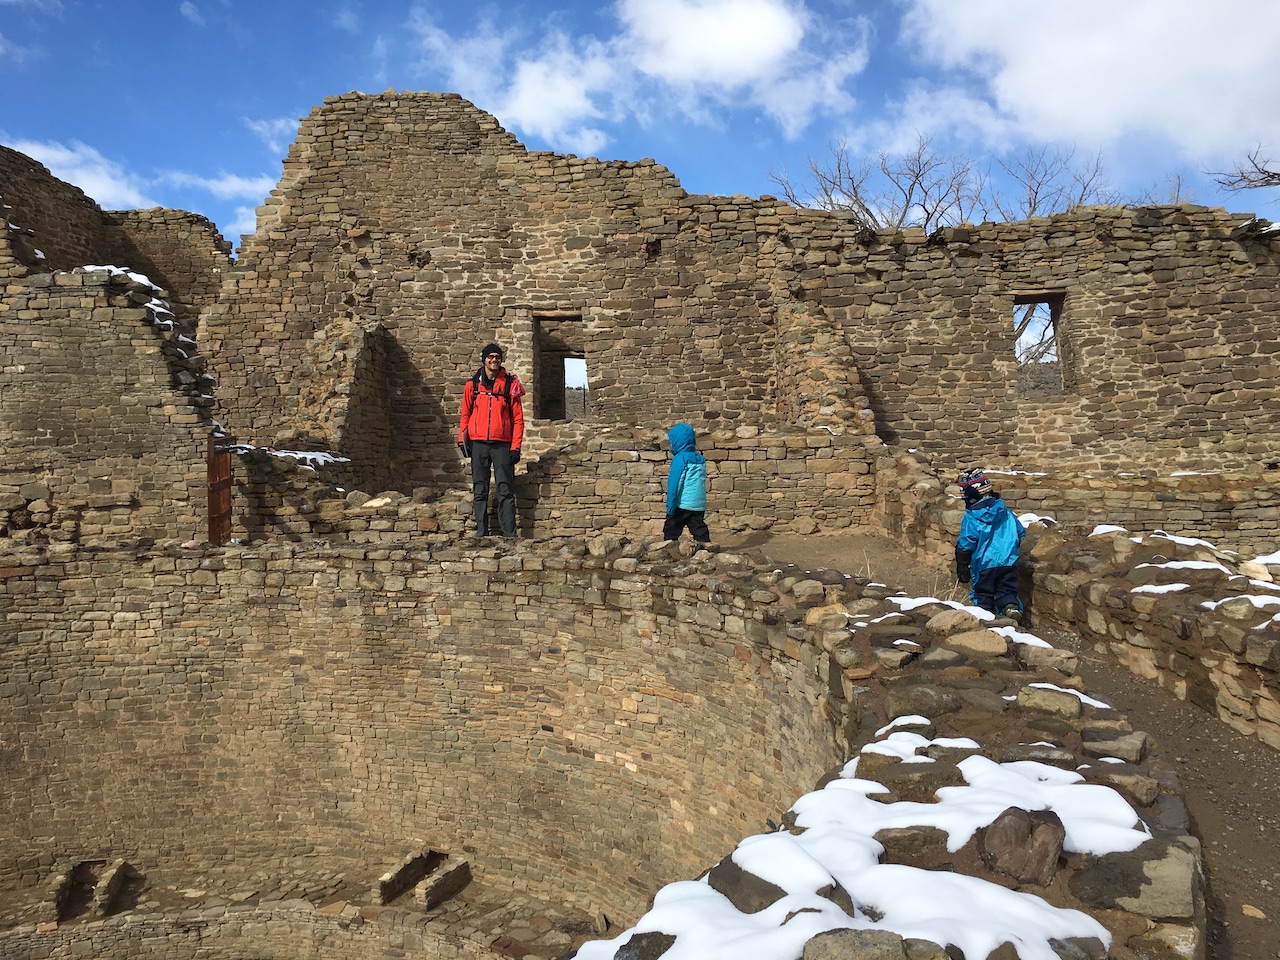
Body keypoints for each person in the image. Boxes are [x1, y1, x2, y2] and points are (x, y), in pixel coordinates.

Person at [457, 343, 525, 538]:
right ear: (484, 359)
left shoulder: (510, 385)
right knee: (480, 490)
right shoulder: (472, 385)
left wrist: (516, 447)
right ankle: (481, 534)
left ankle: (509, 535)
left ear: (501, 359)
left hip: (502, 444)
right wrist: (463, 440)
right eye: (490, 357)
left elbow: (518, 419)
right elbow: (465, 414)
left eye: (497, 357)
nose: (494, 360)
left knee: (505, 490)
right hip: (478, 443)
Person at [955, 468, 1026, 622]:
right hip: (1008, 561)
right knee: (1007, 589)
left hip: (984, 564)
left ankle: (987, 619)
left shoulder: (972, 518)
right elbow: (1020, 533)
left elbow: (966, 543)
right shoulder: (1006, 512)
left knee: (983, 593)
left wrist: (962, 564)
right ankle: (1011, 608)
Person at [663, 422, 710, 544]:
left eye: (672, 442)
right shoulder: (700, 458)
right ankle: (706, 549)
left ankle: (669, 550)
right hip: (698, 503)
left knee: (671, 529)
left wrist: (670, 506)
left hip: (682, 503)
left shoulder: (680, 459)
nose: (671, 445)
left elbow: (674, 485)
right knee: (698, 528)